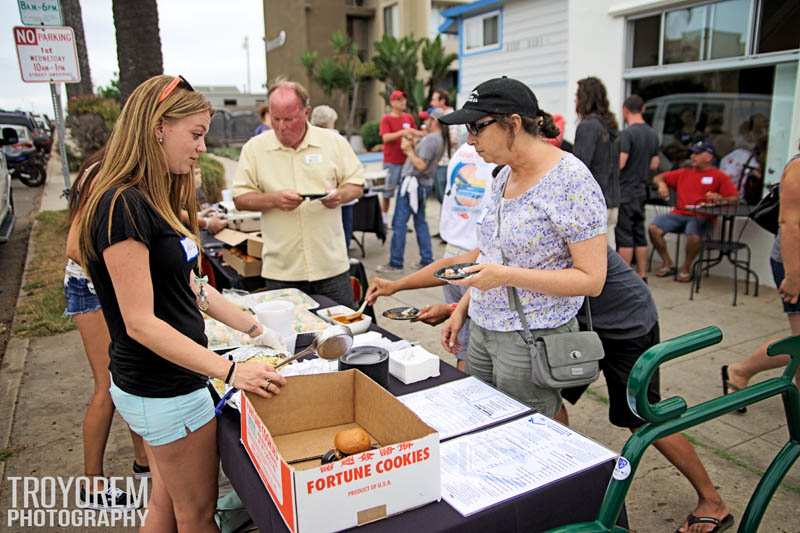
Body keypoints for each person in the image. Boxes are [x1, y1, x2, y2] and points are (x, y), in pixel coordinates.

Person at [78, 74, 287, 530]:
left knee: (165, 504)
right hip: (165, 388)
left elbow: (193, 288)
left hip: (154, 386)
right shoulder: (123, 206)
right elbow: (140, 323)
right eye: (194, 134)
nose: (201, 148)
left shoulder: (151, 199)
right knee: (195, 515)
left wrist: (257, 329)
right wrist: (232, 371)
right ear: (157, 127)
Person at [437, 77, 608, 419]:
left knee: (529, 431)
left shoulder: (570, 180)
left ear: (513, 124)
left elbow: (592, 279)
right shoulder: (503, 175)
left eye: (477, 127)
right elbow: (491, 253)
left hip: (531, 334)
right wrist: (462, 310)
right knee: (481, 419)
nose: (470, 140)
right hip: (484, 329)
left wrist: (505, 277)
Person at [65, 148, 149, 510]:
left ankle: (144, 463)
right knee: (109, 385)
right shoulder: (106, 171)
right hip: (90, 288)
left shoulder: (124, 166)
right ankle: (92, 485)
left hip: (107, 287)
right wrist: (121, 271)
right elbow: (74, 246)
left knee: (129, 377)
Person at [233, 80, 364, 307]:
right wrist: (273, 199)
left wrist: (339, 196)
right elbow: (240, 198)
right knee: (288, 340)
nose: (282, 127)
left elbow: (356, 185)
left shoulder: (333, 142)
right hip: (283, 271)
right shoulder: (254, 148)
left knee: (343, 335)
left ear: (306, 112)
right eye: (275, 119)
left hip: (330, 267)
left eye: (289, 119)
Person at [368, 143, 495, 370]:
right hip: (471, 282)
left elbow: (485, 272)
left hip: (513, 341)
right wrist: (396, 286)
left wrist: (451, 309)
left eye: (478, 129)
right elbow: (459, 264)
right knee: (465, 356)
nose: (474, 140)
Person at [722, 154, 800, 406]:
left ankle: (741, 371)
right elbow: (790, 224)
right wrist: (793, 276)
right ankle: (740, 371)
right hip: (794, 264)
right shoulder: (798, 167)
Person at [649, 141, 738, 282]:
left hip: (702, 215)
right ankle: (667, 262)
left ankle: (686, 268)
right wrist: (661, 185)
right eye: (692, 153)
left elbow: (734, 198)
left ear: (708, 157)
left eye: (697, 153)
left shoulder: (719, 176)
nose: (692, 156)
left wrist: (720, 199)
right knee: (654, 228)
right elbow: (657, 177)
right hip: (679, 213)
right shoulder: (684, 172)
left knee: (694, 235)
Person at [376, 109, 447, 273]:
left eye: (428, 119)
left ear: (434, 121)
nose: (425, 122)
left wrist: (408, 150)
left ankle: (395, 262)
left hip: (413, 185)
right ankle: (426, 259)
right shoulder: (438, 139)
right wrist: (412, 146)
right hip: (421, 184)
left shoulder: (431, 139)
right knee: (420, 221)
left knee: (399, 223)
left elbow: (421, 165)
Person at [574, 76, 621, 249]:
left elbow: (578, 168)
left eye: (577, 96)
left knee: (597, 261)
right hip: (612, 201)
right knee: (609, 254)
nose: (575, 100)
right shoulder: (610, 125)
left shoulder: (588, 126)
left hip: (593, 203)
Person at [617, 94, 660, 279]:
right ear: (642, 109)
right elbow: (654, 164)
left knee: (625, 236)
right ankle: (642, 275)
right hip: (642, 191)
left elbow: (621, 162)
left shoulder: (627, 134)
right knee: (639, 234)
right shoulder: (652, 134)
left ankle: (624, 278)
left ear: (625, 110)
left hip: (626, 191)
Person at [310, 104, 356, 250]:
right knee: (342, 233)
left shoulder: (308, 138)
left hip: (315, 196)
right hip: (339, 195)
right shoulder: (337, 139)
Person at [379, 90, 422, 222]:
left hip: (407, 161)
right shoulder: (386, 119)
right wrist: (403, 132)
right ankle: (384, 219)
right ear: (392, 102)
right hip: (391, 161)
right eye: (399, 99)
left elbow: (415, 134)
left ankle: (400, 220)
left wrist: (414, 137)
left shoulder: (408, 117)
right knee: (387, 192)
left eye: (404, 99)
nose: (403, 102)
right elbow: (385, 138)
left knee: (404, 192)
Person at [429, 88, 458, 203]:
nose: (431, 103)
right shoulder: (438, 115)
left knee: (445, 198)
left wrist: (437, 136)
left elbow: (454, 139)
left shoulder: (451, 116)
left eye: (434, 100)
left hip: (446, 162)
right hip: (440, 162)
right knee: (443, 198)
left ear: (443, 101)